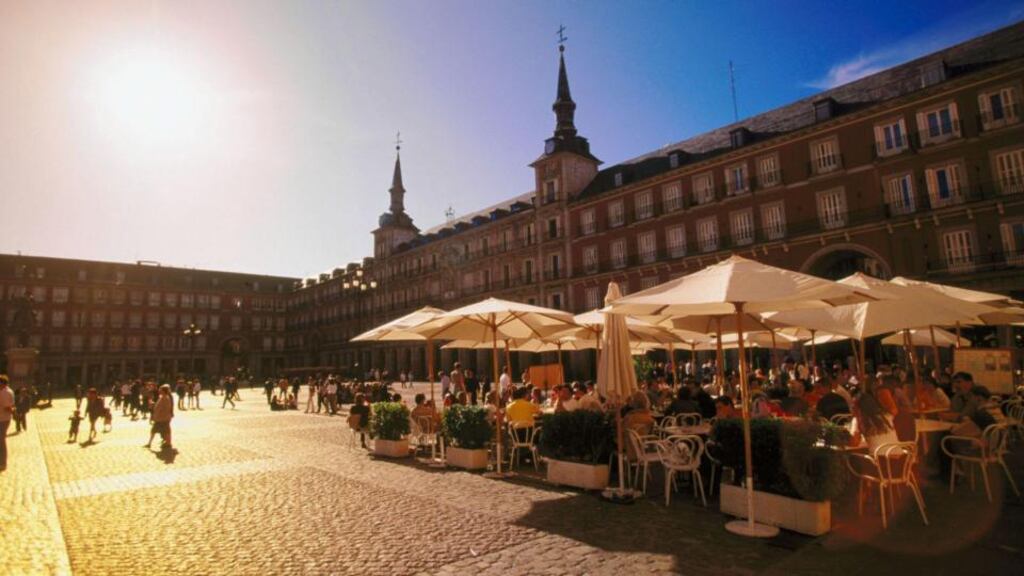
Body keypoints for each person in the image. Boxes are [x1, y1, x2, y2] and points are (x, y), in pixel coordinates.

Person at [147, 384, 175, 450]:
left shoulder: (165, 398)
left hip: (162, 418)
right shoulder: (162, 397)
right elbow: (159, 406)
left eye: (160, 389)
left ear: (163, 391)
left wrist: (153, 407)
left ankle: (168, 443)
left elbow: (162, 408)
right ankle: (150, 443)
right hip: (161, 418)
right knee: (162, 431)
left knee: (164, 431)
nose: (159, 390)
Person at [0, 376, 14, 471]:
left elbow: (7, 407)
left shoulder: (4, 393)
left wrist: (14, 412)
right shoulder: (8, 390)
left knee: (1, 441)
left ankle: (2, 463)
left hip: (2, 419)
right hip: (4, 418)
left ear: (2, 383)